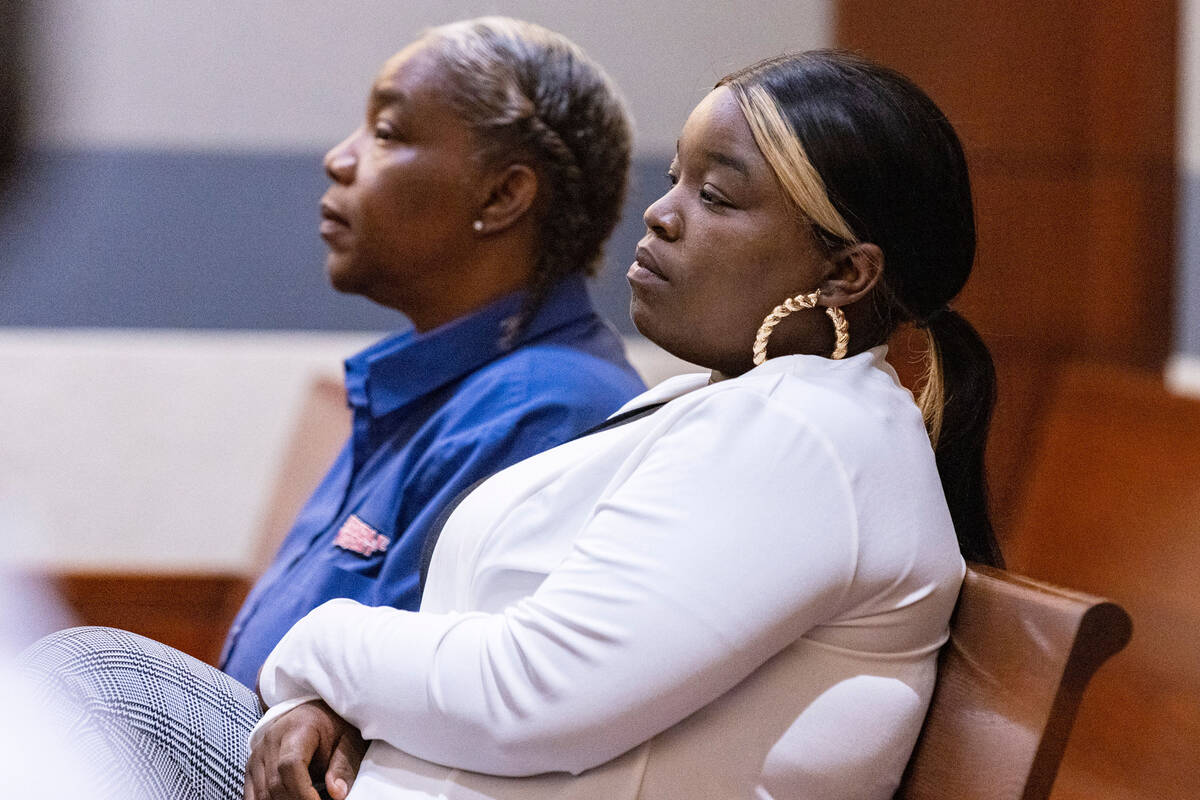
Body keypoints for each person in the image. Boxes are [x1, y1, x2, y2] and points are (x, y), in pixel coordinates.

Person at [23, 47, 1002, 800]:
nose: (660, 217)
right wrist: (332, 701)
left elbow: (534, 689)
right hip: (400, 770)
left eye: (715, 195)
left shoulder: (807, 434)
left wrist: (320, 653)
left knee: (86, 689)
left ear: (846, 272)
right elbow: (513, 648)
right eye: (673, 181)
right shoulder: (742, 405)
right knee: (79, 687)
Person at [217, 16, 645, 687]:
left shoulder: (540, 412)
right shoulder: (431, 386)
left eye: (387, 132)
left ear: (503, 195)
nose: (340, 158)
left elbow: (413, 714)